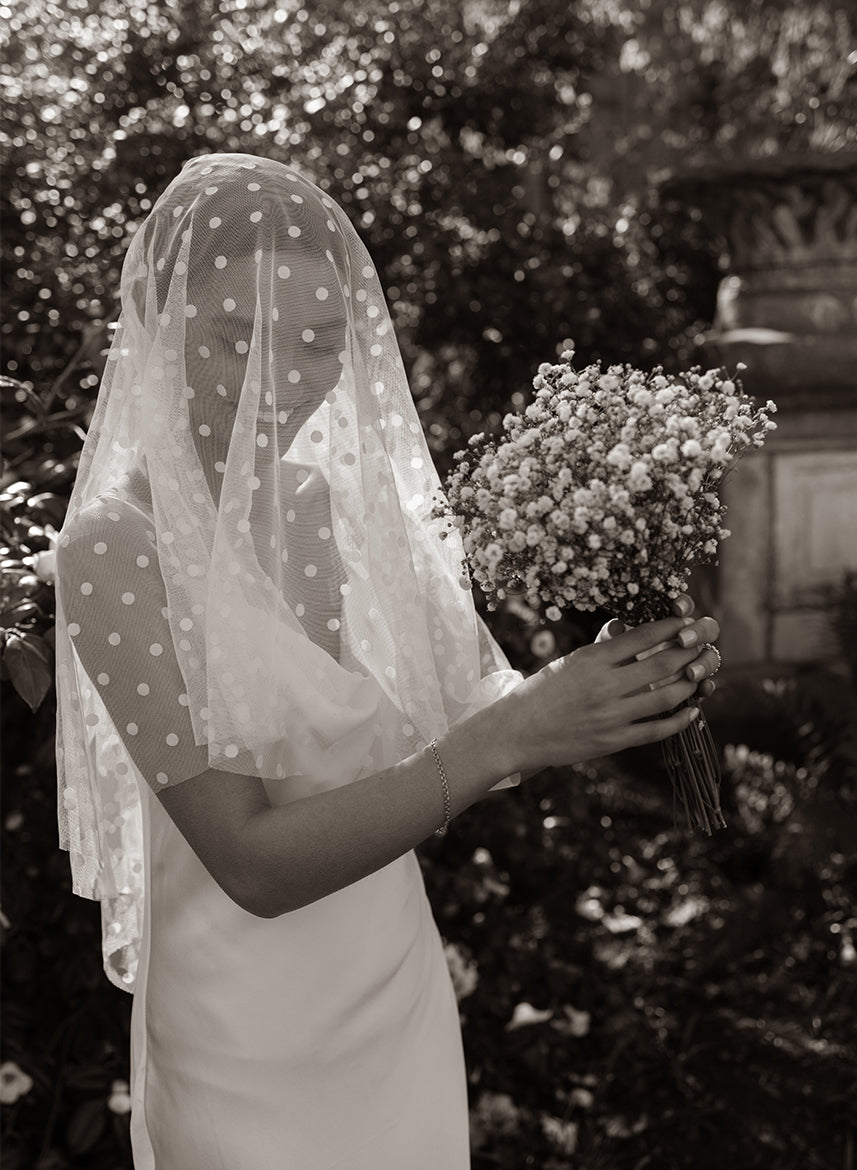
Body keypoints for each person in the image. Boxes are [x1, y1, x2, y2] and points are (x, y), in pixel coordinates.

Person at [54, 153, 721, 1170]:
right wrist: (511, 733)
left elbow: (469, 743)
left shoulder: (331, 511)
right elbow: (252, 863)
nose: (287, 376)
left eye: (319, 342)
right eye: (241, 337)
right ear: (157, 327)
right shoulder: (114, 550)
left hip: (390, 996)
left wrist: (619, 687)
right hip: (245, 1036)